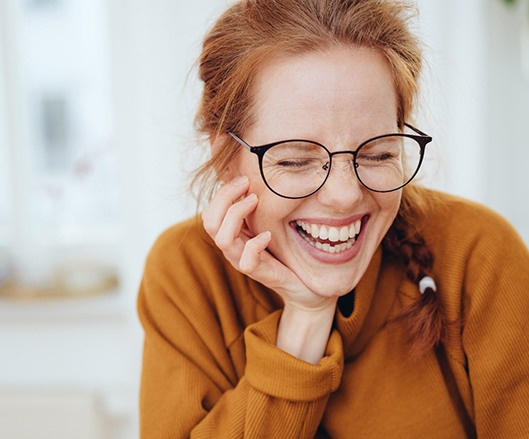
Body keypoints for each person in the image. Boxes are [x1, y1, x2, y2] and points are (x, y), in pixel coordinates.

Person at [137, 0, 529, 437]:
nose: (345, 196)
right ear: (225, 157)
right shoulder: (187, 273)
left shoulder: (478, 252)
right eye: (295, 161)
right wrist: (306, 318)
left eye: (379, 153)